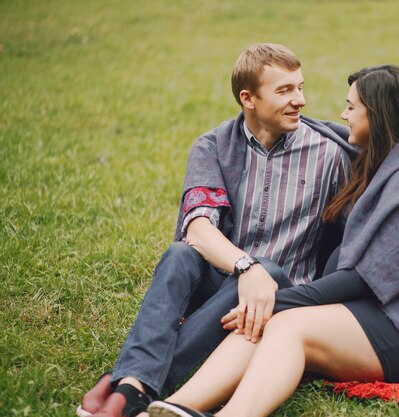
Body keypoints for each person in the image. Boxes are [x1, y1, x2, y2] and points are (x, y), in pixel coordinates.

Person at [145, 65, 399, 417]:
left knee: (285, 322)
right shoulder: (387, 162)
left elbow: (364, 278)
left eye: (351, 107)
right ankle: (177, 407)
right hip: (376, 310)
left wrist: (279, 300)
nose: (343, 116)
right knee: (269, 320)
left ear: (377, 116)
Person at [77, 43, 355, 417]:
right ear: (248, 98)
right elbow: (197, 229)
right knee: (180, 255)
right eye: (285, 90)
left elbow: (357, 229)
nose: (300, 100)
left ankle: (130, 384)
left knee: (270, 270)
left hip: (286, 295)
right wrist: (246, 268)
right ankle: (135, 386)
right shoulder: (214, 147)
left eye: (300, 87)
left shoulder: (329, 153)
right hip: (225, 285)